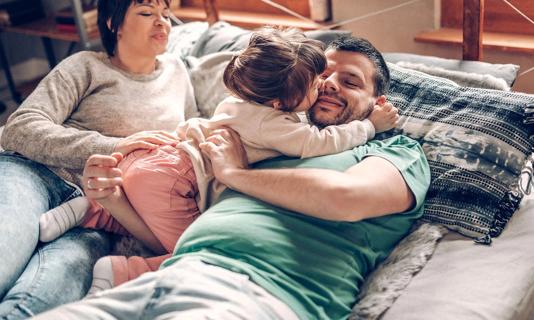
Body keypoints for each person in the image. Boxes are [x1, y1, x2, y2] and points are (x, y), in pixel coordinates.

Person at [33, 36, 431, 320]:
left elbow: (344, 198)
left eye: (350, 81)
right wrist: (114, 198)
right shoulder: (263, 141)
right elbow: (170, 230)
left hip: (250, 293)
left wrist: (234, 173)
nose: (328, 85)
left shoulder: (393, 152)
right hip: (168, 274)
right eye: (323, 76)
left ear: (379, 103)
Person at [0, 0, 198, 318]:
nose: (161, 23)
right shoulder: (86, 65)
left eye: (165, 14)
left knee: (40, 300)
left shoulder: (178, 73)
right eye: (147, 13)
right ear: (113, 24)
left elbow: (193, 136)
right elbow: (19, 128)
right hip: (38, 175)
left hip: (103, 217)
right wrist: (117, 147)